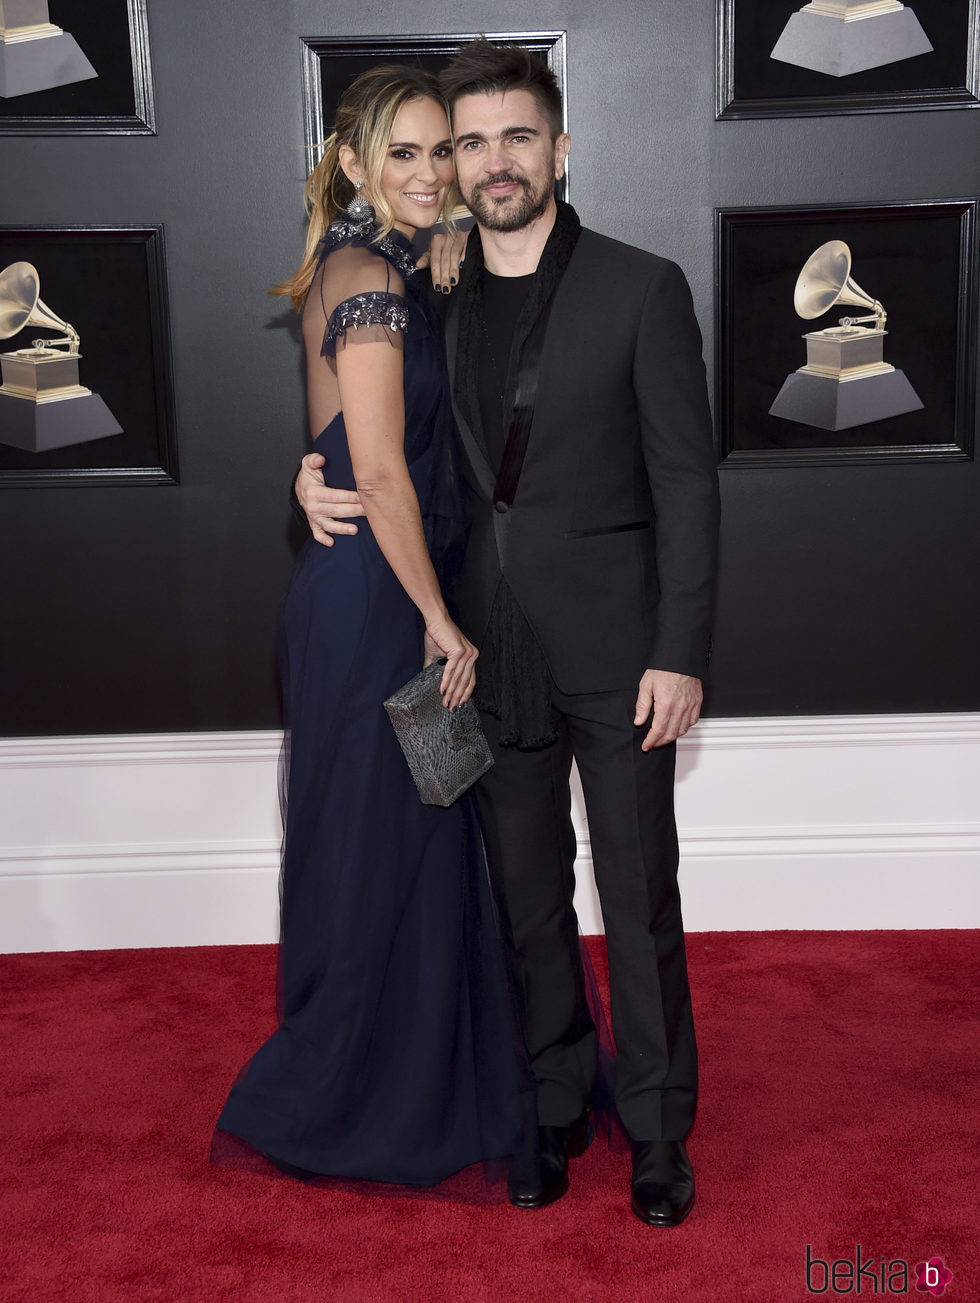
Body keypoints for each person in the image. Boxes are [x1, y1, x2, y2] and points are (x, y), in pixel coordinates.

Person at [295, 41, 721, 1226]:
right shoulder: (425, 285)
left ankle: (652, 1127)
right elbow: (371, 423)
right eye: (464, 142)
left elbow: (687, 484)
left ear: (559, 148)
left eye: (511, 136)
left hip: (618, 648)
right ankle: (543, 1108)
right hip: (471, 646)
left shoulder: (641, 287)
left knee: (636, 898)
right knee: (520, 895)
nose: (487, 162)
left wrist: (679, 647)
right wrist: (310, 469)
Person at [213, 66, 536, 1190]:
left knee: (424, 838)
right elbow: (384, 472)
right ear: (351, 162)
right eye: (400, 153)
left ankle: (441, 1070)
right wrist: (441, 619)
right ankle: (372, 1090)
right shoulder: (370, 283)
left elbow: (345, 445)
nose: (428, 173)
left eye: (440, 151)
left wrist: (442, 242)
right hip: (380, 607)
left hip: (369, 589)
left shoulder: (386, 268)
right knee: (387, 849)